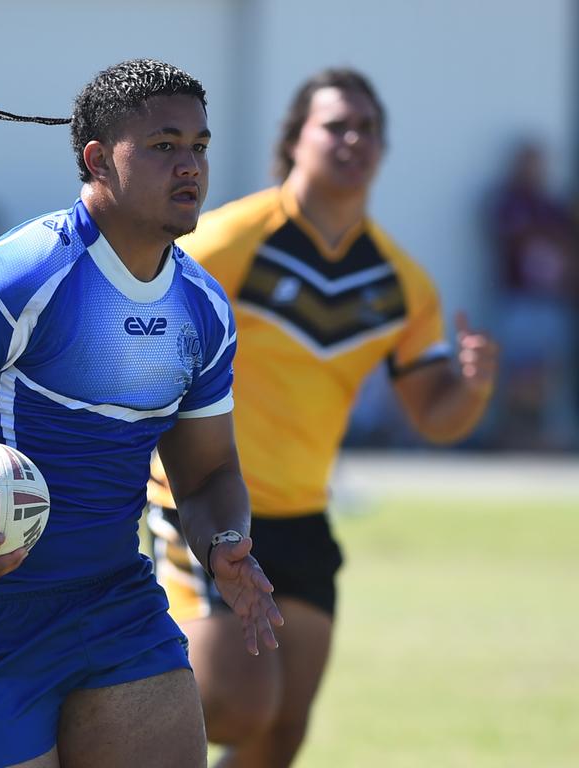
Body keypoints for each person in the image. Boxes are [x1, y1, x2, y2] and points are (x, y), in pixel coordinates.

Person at [0, 59, 284, 768]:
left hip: (114, 604)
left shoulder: (203, 309)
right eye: (163, 146)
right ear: (97, 159)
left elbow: (207, 471)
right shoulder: (22, 273)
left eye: (200, 147)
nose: (190, 166)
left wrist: (226, 545)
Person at [147, 68, 500, 768]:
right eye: (335, 125)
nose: (353, 139)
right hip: (206, 505)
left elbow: (436, 417)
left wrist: (475, 387)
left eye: (367, 128)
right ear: (295, 140)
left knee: (281, 736)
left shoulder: (400, 281)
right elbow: (134, 329)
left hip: (304, 519)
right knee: (236, 702)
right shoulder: (226, 242)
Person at [488, 140, 578, 450]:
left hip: (550, 301)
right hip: (519, 300)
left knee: (546, 373)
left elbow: (568, 245)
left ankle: (539, 437)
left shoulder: (551, 205)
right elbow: (517, 237)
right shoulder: (509, 201)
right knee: (517, 370)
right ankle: (511, 437)